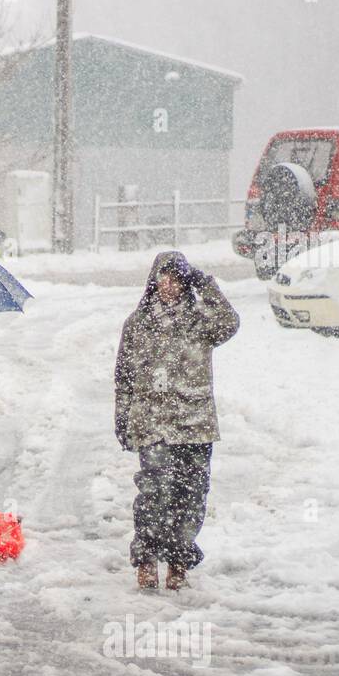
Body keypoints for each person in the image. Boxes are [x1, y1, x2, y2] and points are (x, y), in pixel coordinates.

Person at [114, 251, 240, 592]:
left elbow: (231, 323)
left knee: (191, 496)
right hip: (152, 423)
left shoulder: (200, 319)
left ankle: (178, 560)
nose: (169, 285)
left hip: (195, 424)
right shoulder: (137, 323)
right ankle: (146, 559)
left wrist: (206, 283)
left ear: (186, 282)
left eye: (176, 278)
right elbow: (124, 377)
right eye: (163, 278)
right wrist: (122, 417)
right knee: (154, 493)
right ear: (153, 280)